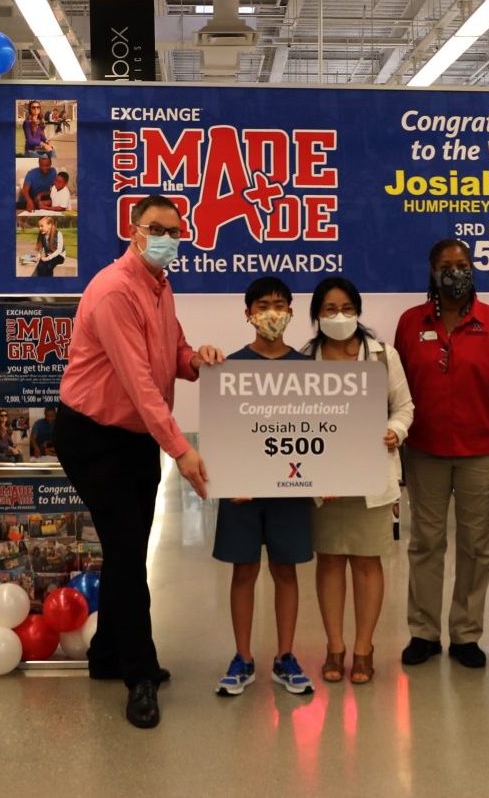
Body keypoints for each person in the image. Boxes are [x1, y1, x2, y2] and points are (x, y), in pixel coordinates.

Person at [53, 194, 223, 729]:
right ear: (134, 229)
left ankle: (106, 654)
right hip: (93, 436)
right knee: (128, 554)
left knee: (125, 547)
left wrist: (196, 360)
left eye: (177, 230)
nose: (169, 237)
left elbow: (170, 353)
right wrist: (183, 450)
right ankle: (139, 675)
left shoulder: (160, 285)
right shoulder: (113, 291)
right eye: (158, 228)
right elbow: (140, 385)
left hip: (132, 438)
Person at [394, 239, 489, 670]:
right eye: (446, 265)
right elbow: (398, 391)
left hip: (482, 454)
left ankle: (467, 634)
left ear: (474, 269)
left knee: (475, 546)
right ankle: (424, 632)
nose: (455, 271)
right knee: (425, 544)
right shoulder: (410, 323)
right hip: (424, 452)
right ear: (432, 272)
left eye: (462, 264)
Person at [302, 276, 413, 686]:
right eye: (329, 310)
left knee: (367, 562)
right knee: (329, 560)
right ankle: (335, 646)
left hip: (371, 477)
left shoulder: (383, 356)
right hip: (325, 481)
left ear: (358, 311)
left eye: (346, 308)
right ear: (317, 316)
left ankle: (364, 647)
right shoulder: (304, 360)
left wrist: (395, 431)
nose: (339, 316)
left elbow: (404, 406)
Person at [213, 277, 315, 698]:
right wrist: (227, 476)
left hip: (291, 490)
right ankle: (243, 657)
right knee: (244, 571)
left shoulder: (308, 369)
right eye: (264, 305)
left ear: (291, 311)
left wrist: (323, 474)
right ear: (249, 314)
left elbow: (317, 431)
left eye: (280, 304)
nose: (272, 312)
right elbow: (221, 433)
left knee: (286, 571)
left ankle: (285, 657)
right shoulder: (229, 367)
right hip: (242, 493)